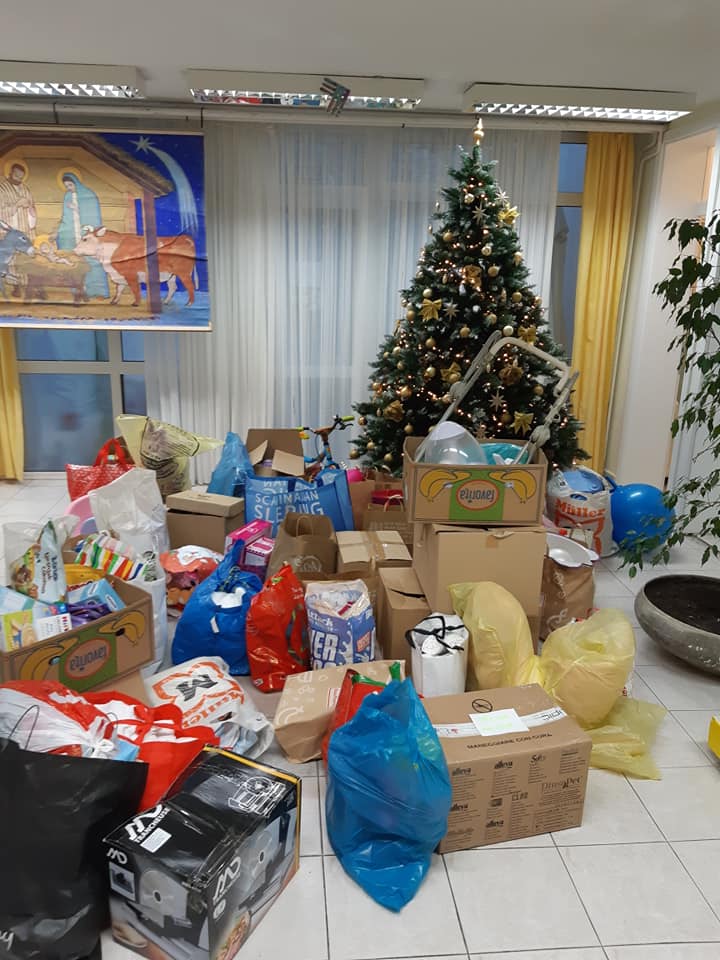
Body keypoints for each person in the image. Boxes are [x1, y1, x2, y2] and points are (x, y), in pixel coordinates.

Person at [56, 172, 109, 298]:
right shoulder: (67, 196)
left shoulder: (89, 195)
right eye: (66, 186)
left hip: (85, 233)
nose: (69, 188)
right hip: (73, 233)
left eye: (70, 185)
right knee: (75, 262)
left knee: (92, 262)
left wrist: (77, 209)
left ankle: (97, 291)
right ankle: (78, 291)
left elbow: (93, 215)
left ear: (76, 183)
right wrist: (60, 232)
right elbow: (65, 217)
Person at [0, 163, 37, 237]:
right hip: (9, 230)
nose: (18, 180)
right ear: (10, 173)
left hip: (24, 228)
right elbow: (1, 211)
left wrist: (30, 207)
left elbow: (32, 208)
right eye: (16, 176)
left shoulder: (25, 189)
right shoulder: (2, 189)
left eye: (21, 178)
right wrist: (17, 205)